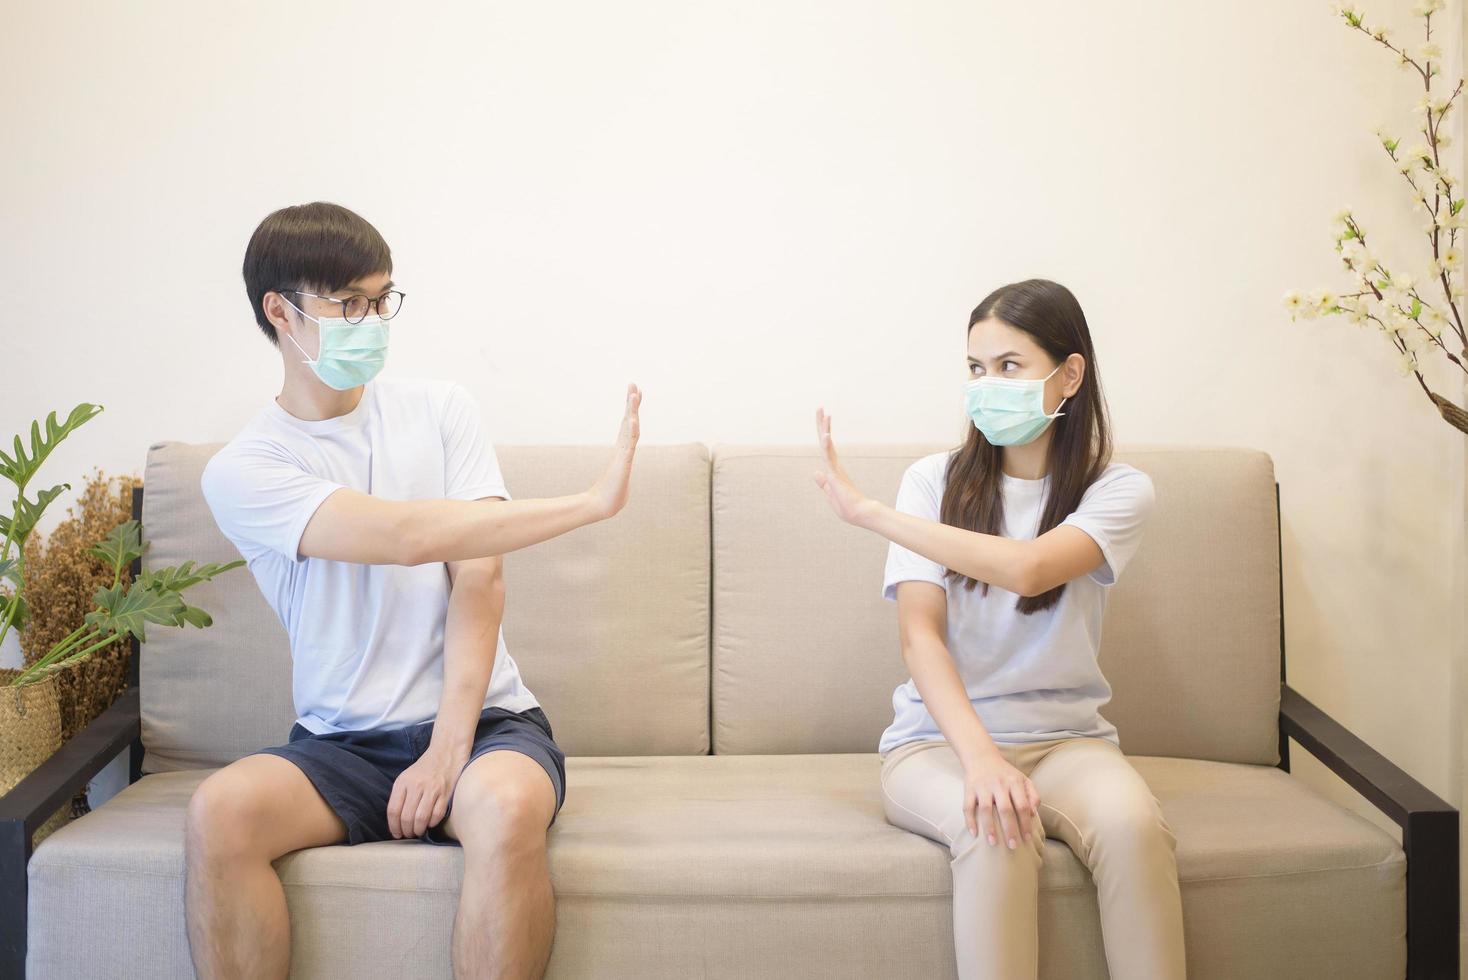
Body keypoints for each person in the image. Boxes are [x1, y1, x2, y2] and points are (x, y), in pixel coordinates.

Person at [191, 201, 643, 980]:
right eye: (350, 303)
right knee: (218, 812)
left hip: (489, 725)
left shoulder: (440, 410)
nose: (373, 320)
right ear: (281, 310)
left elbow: (479, 571)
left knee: (502, 809)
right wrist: (588, 505)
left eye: (382, 299)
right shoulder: (246, 469)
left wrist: (446, 747)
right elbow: (408, 539)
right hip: (341, 743)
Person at [811, 278, 1186, 979]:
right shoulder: (932, 482)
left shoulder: (1118, 490)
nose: (987, 387)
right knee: (998, 831)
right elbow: (920, 638)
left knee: (1136, 827)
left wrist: (869, 515)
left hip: (1068, 740)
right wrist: (980, 758)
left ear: (1069, 374)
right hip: (938, 745)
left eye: (1009, 367)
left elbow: (1031, 569)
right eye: (976, 370)